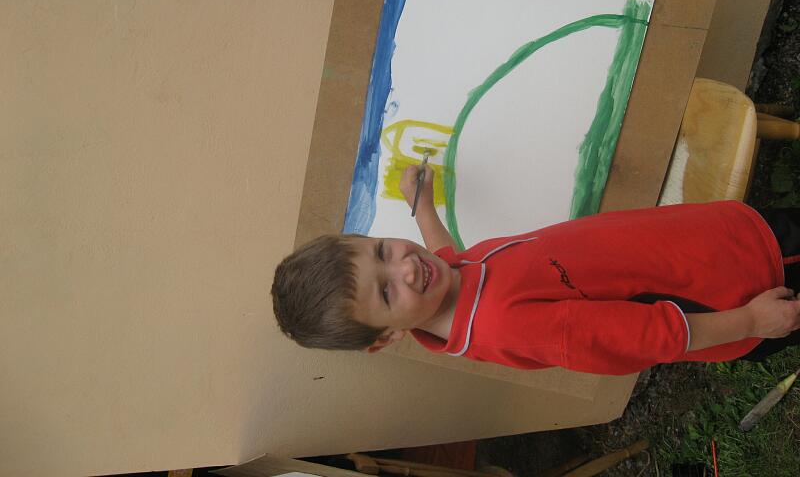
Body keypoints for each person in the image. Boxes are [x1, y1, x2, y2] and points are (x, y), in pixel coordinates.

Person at [271, 164, 800, 375]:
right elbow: (644, 337)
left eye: (383, 251)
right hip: (742, 283)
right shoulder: (507, 324)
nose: (407, 268)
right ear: (386, 338)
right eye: (386, 293)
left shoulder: (445, 289)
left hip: (710, 242)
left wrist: (422, 205)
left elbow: (446, 256)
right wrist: (751, 322)